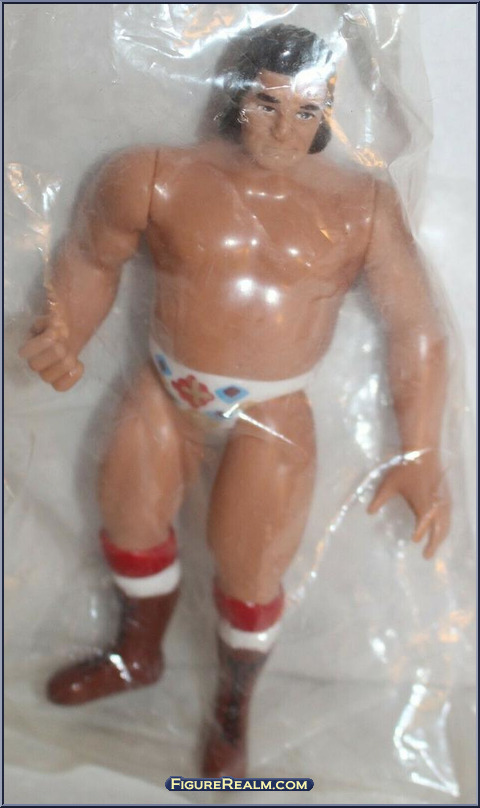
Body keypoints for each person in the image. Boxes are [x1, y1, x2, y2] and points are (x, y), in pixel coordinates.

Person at [19, 23, 450, 777]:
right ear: (235, 98)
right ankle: (136, 652)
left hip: (272, 413)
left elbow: (415, 327)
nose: (285, 129)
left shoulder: (361, 206)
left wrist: (421, 449)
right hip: (164, 388)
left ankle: (233, 703)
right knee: (128, 515)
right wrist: (64, 330)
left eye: (307, 111)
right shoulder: (154, 173)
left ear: (328, 112)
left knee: (250, 570)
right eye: (268, 105)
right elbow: (91, 257)